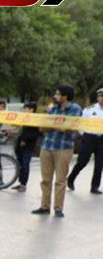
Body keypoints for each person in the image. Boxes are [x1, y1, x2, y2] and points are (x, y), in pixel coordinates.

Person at [33, 84, 83, 218]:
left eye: (57, 94)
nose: (55, 96)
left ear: (65, 97)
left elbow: (68, 129)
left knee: (60, 180)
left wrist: (52, 124)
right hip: (47, 146)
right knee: (45, 180)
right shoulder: (52, 108)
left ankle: (58, 208)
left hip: (63, 148)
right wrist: (57, 124)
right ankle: (44, 207)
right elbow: (42, 128)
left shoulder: (75, 109)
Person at [68, 87, 103, 194]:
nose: (102, 98)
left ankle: (94, 186)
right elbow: (80, 124)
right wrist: (85, 135)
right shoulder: (89, 109)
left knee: (99, 164)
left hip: (102, 139)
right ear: (98, 97)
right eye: (101, 96)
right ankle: (71, 179)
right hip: (89, 138)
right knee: (82, 162)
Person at [13, 101, 41, 192]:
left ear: (32, 109)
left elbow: (38, 133)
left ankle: (24, 184)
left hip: (29, 145)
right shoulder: (25, 118)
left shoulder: (36, 119)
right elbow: (21, 130)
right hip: (20, 144)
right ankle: (20, 182)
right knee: (20, 163)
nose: (24, 110)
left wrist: (26, 140)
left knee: (25, 164)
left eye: (26, 108)